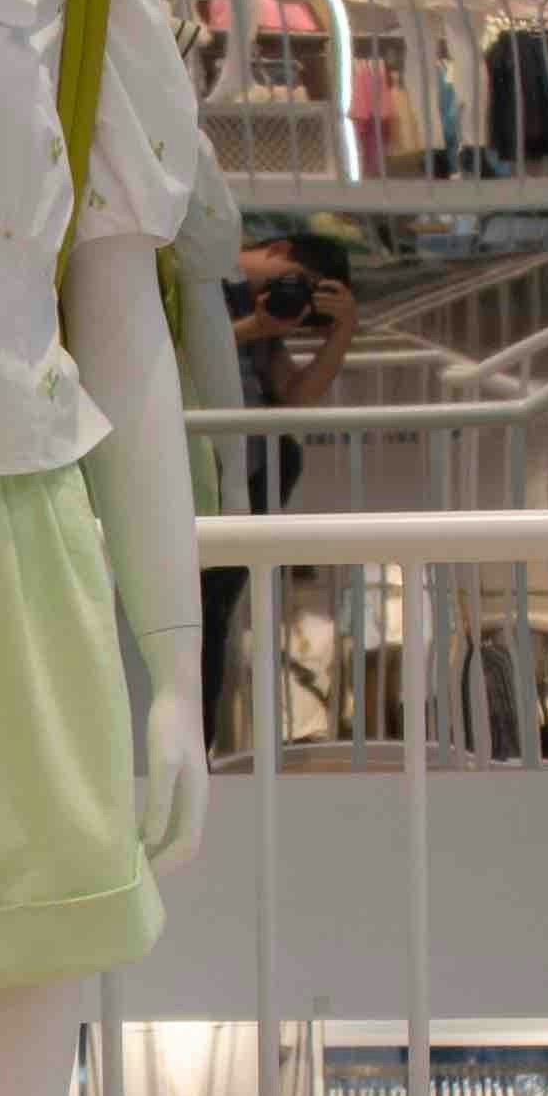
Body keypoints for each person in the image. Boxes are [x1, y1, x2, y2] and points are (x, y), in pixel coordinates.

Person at [205, 222, 356, 744]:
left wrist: (341, 331)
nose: (292, 300)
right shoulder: (206, 276)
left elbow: (295, 399)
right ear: (279, 250)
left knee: (213, 623)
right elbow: (179, 349)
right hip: (198, 469)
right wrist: (255, 325)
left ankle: (199, 750)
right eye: (298, 281)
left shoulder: (260, 314)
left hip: (238, 476)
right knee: (198, 623)